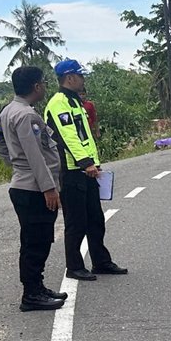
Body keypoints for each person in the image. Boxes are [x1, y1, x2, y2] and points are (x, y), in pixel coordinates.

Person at [0, 66, 68, 311]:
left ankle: (37, 287)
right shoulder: (25, 115)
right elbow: (35, 155)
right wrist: (49, 188)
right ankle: (31, 294)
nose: (45, 87)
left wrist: (13, 162)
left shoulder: (7, 111)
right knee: (36, 242)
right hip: (34, 189)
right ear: (36, 86)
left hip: (26, 185)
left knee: (35, 240)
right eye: (43, 83)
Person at [45, 59, 127, 281]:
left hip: (87, 170)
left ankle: (101, 261)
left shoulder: (75, 102)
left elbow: (85, 136)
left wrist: (94, 163)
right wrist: (85, 162)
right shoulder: (58, 103)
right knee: (76, 222)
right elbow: (68, 136)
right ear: (70, 77)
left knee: (95, 219)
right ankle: (74, 266)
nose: (83, 80)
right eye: (81, 76)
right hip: (71, 171)